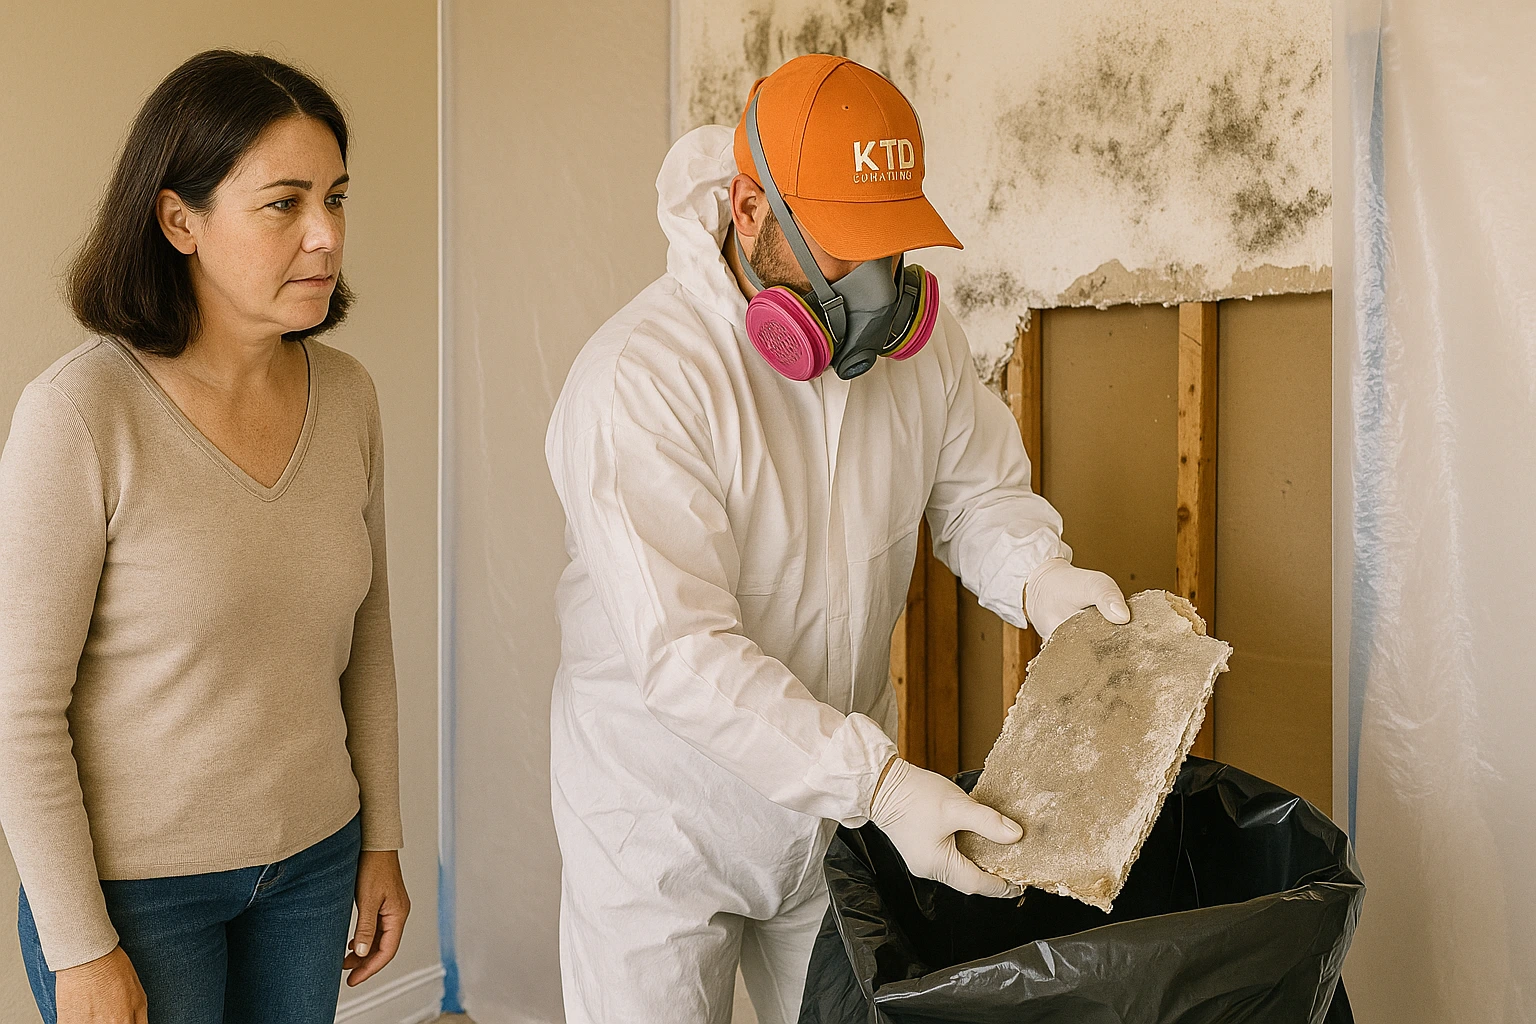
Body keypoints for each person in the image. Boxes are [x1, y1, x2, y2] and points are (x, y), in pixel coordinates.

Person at [545, 54, 1130, 1024]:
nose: (874, 283)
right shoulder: (641, 382)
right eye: (843, 246)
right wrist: (883, 784)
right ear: (749, 211)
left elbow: (980, 498)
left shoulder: (921, 350)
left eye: (889, 244)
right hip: (662, 818)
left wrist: (1041, 578)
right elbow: (687, 657)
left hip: (832, 817)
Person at [0, 50, 409, 1024]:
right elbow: (19, 711)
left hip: (316, 864)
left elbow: (369, 641)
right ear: (179, 221)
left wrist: (381, 839)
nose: (325, 235)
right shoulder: (80, 413)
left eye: (335, 198)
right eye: (284, 203)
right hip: (140, 899)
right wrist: (80, 946)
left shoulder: (348, 395)